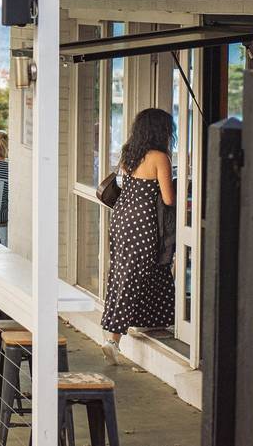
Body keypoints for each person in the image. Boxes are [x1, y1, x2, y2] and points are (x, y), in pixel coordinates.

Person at [99, 108, 175, 365]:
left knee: (127, 272)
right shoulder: (160, 157)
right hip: (143, 221)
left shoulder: (129, 153)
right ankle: (113, 340)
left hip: (122, 217)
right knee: (137, 273)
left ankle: (152, 322)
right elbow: (168, 197)